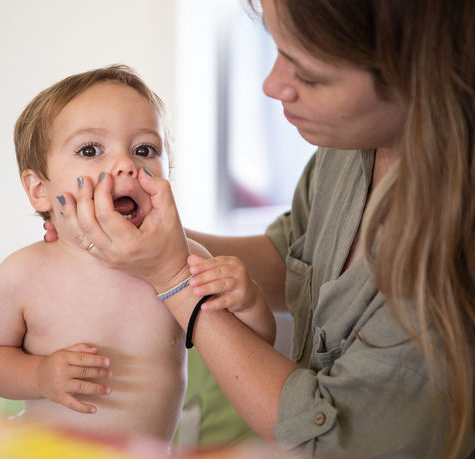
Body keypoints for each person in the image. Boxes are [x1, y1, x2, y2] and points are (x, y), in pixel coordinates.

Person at [42, 1, 475, 458]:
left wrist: (173, 276)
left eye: (310, 76)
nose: (271, 85)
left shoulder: (453, 255)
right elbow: (295, 256)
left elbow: (327, 441)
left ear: (420, 76)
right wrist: (144, 242)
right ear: (36, 187)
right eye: (277, 48)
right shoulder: (352, 147)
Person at [0, 64, 275, 448]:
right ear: (40, 190)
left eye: (144, 150)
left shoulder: (184, 262)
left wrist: (249, 301)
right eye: (90, 150)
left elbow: (252, 348)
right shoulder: (24, 273)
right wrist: (39, 375)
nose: (126, 164)